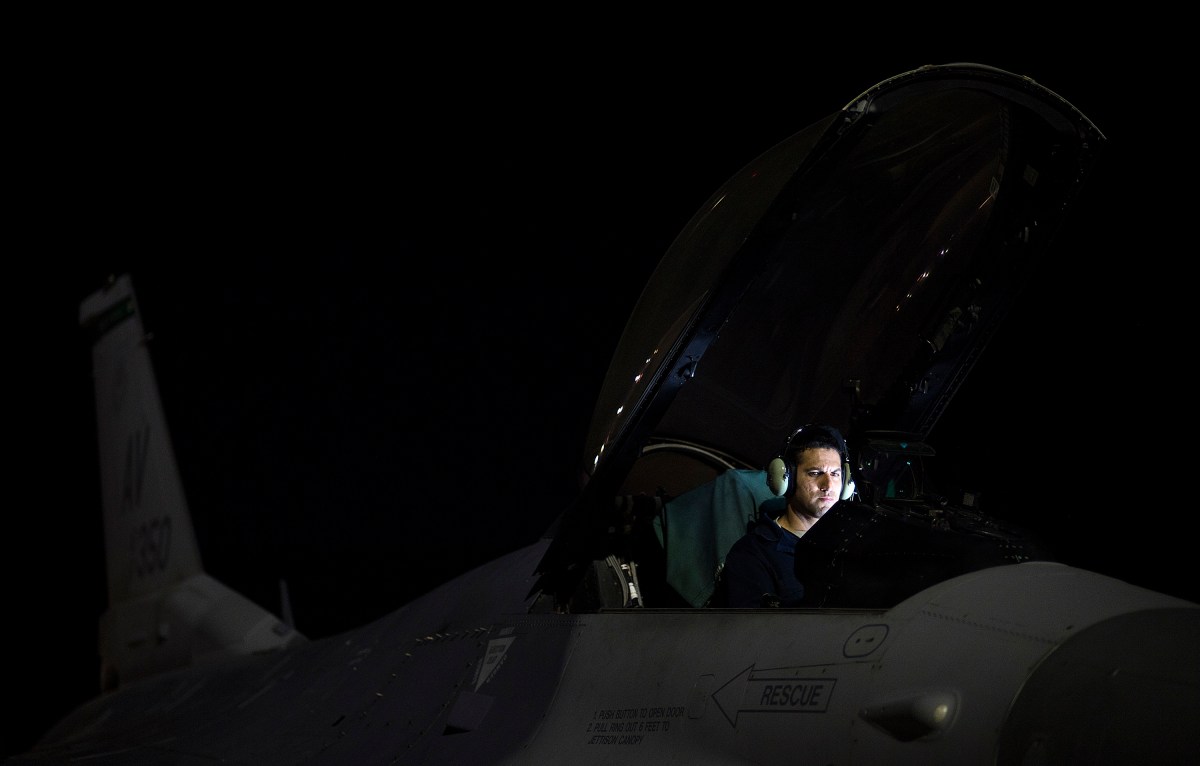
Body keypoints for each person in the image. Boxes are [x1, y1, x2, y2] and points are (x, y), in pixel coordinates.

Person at [721, 424, 851, 607]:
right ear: (785, 479)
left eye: (835, 474)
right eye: (815, 473)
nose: (828, 485)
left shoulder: (850, 545)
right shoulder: (752, 554)